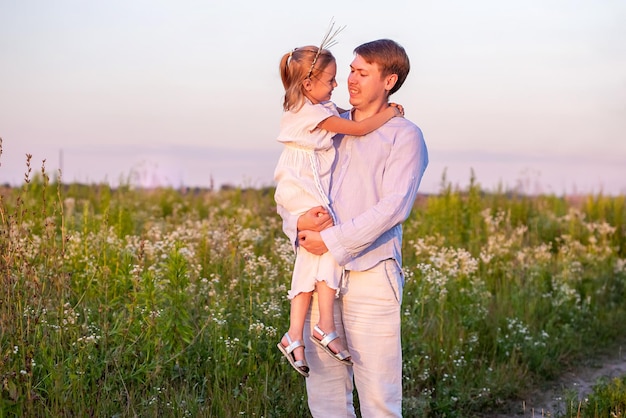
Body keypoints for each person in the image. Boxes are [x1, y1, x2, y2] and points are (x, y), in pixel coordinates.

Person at [276, 39, 428, 416]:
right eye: (350, 70)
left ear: (389, 80)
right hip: (318, 277)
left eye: (362, 72)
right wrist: (296, 225)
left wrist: (330, 240)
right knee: (326, 400)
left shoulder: (404, 135)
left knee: (379, 397)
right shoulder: (324, 122)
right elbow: (290, 186)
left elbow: (393, 208)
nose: (351, 79)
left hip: (372, 274)